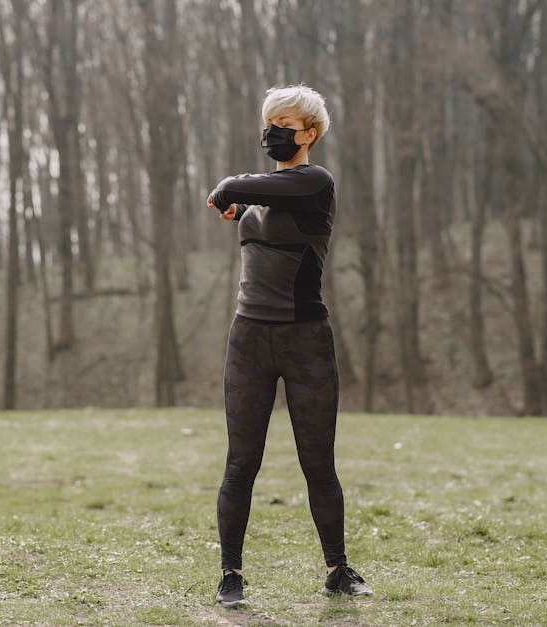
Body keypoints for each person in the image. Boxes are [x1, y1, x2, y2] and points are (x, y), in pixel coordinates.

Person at [206, 84, 372, 608]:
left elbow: (237, 184)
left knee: (317, 463)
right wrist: (236, 201)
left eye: (285, 124)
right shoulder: (265, 193)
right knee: (241, 463)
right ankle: (230, 575)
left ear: (310, 133)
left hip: (306, 342)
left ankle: (337, 570)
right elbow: (248, 195)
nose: (273, 132)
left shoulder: (316, 183)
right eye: (269, 123)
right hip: (249, 341)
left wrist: (230, 190)